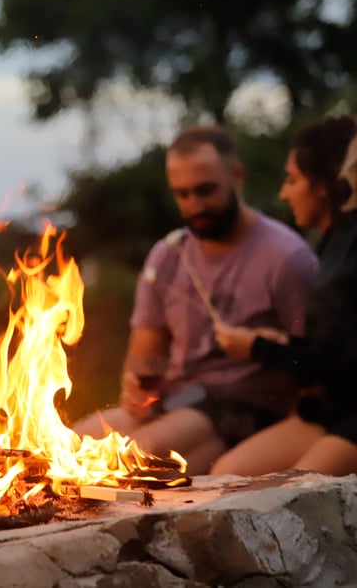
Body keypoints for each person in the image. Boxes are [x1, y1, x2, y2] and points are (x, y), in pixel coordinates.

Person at [71, 124, 317, 474]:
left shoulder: (287, 258)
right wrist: (136, 388)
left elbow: (315, 361)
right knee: (69, 447)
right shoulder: (167, 256)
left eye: (205, 190)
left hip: (245, 410)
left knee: (138, 456)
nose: (194, 205)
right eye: (182, 194)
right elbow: (143, 358)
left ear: (236, 175)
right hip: (177, 399)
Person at [211, 115, 357, 476]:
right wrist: (283, 344)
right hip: (330, 410)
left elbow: (339, 362)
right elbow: (333, 347)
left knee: (293, 494)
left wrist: (259, 348)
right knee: (228, 474)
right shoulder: (335, 242)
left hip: (351, 416)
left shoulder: (349, 249)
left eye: (292, 180)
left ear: (323, 183)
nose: (283, 193)